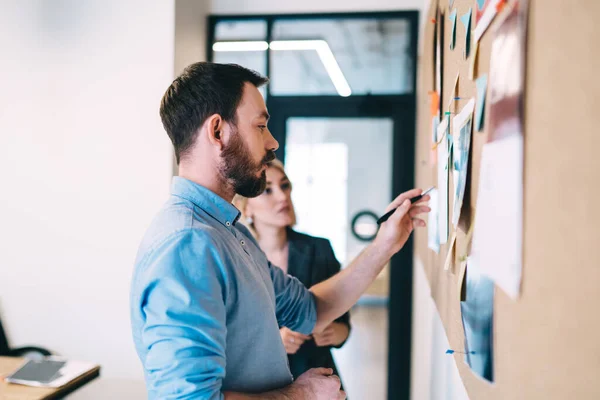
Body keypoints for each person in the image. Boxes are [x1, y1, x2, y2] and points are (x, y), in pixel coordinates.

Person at [130, 62, 430, 400]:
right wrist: (301, 395)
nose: (272, 142)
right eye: (260, 126)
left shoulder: (231, 233)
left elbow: (309, 310)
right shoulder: (188, 244)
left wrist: (385, 244)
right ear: (217, 131)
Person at [233, 159, 350, 383]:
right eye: (267, 190)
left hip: (319, 380)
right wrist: (273, 340)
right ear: (246, 208)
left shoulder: (319, 249)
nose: (281, 196)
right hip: (262, 386)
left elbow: (344, 325)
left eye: (284, 186)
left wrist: (335, 332)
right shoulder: (237, 258)